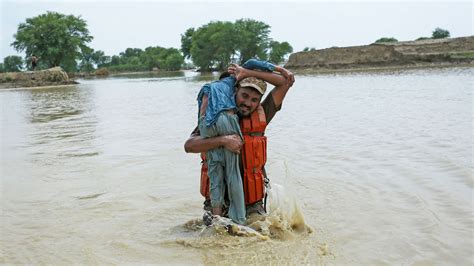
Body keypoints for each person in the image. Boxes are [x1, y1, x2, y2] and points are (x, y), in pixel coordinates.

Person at [184, 59, 295, 220]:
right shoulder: (217, 116)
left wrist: (249, 72)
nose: (248, 103)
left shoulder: (264, 113)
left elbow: (285, 82)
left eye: (254, 99)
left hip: (252, 203)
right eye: (244, 95)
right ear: (235, 91)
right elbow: (189, 146)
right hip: (218, 202)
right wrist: (223, 140)